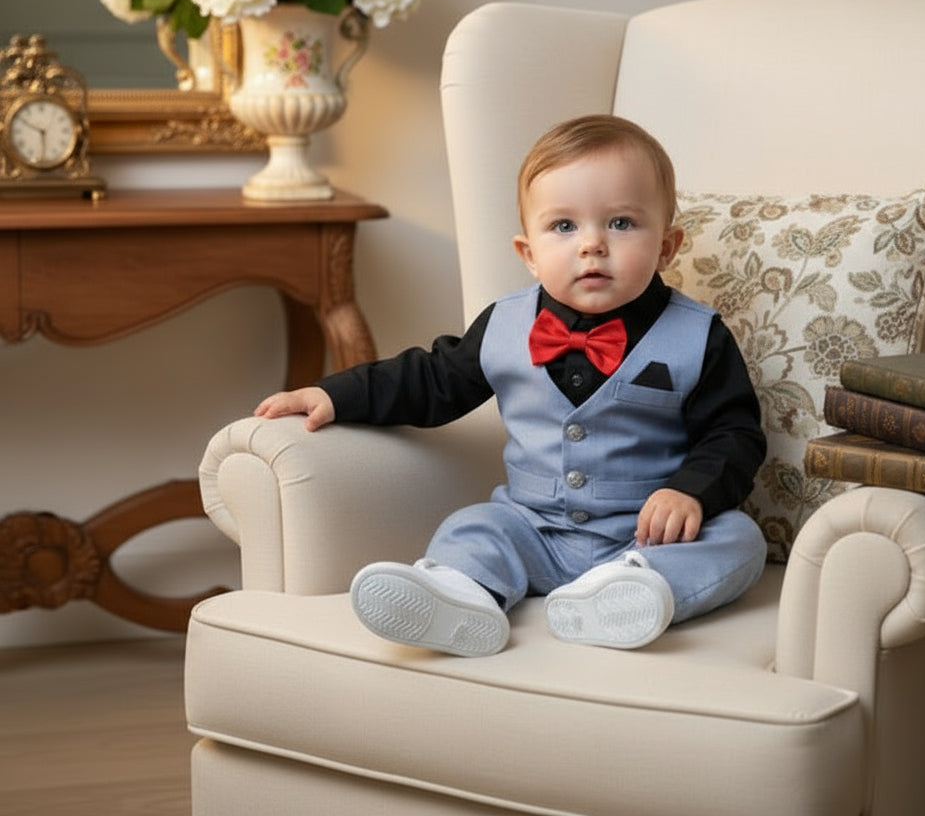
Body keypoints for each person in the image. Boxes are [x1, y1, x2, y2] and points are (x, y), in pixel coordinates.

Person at [255, 114, 767, 657]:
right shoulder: (503, 324)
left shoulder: (699, 336)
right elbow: (430, 380)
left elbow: (734, 433)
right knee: (473, 525)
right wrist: (335, 394)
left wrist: (689, 491)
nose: (592, 244)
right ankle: (460, 595)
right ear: (529, 255)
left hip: (645, 536)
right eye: (564, 227)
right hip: (532, 529)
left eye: (621, 223)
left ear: (666, 247)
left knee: (739, 539)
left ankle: (632, 594)